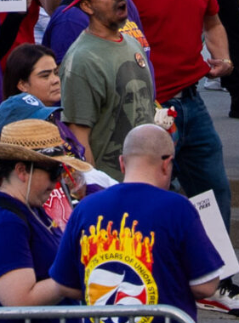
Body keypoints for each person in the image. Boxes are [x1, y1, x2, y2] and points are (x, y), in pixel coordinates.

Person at [123, 0, 233, 226]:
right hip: (149, 105)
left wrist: (224, 58)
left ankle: (218, 276)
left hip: (193, 101)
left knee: (214, 191)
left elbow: (212, 21)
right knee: (151, 197)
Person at [51, 122, 227, 310]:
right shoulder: (178, 208)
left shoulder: (85, 208)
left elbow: (65, 284)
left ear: (121, 163)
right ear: (167, 164)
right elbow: (205, 285)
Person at [58, 0, 157, 179]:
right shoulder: (82, 60)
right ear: (87, 5)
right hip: (113, 190)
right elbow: (79, 139)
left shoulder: (132, 42)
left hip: (147, 179)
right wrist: (97, 191)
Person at [0, 123, 81, 308]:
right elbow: (19, 300)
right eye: (54, 172)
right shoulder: (1, 223)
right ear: (22, 171)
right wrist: (69, 283)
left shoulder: (30, 209)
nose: (58, 180)